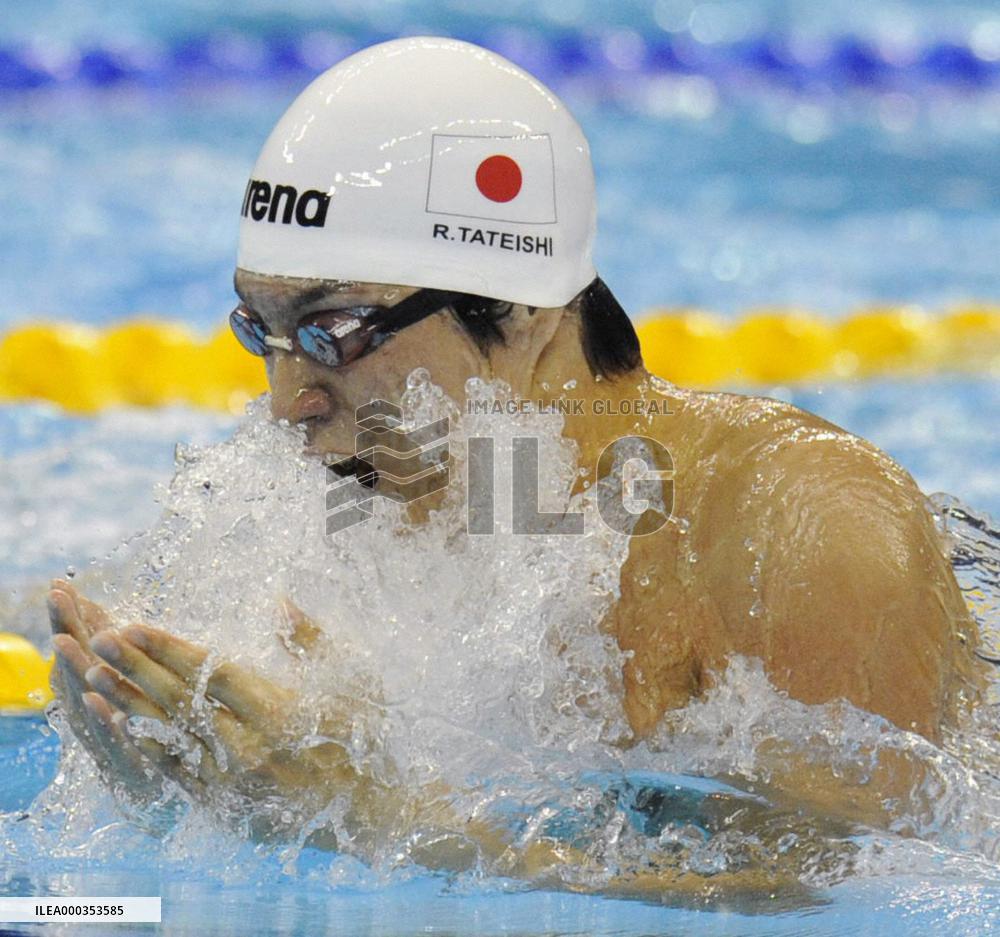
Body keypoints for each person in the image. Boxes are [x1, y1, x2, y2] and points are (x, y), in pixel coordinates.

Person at [47, 36, 988, 894]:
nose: (288, 401)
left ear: (522, 311)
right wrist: (185, 796)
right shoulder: (374, 512)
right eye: (263, 332)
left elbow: (851, 891)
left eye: (336, 331)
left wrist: (390, 825)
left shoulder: (802, 533)